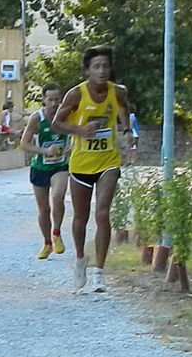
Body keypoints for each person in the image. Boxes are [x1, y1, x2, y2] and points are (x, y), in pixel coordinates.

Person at [52, 45, 132, 292]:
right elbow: (56, 123)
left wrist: (127, 131)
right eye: (96, 66)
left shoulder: (117, 92)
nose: (102, 70)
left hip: (108, 161)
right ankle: (80, 258)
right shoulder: (75, 95)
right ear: (87, 70)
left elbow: (123, 109)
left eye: (106, 66)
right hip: (82, 162)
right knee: (80, 217)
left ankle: (99, 272)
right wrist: (79, 130)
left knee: (103, 214)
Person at [19, 83, 74, 260]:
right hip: (40, 167)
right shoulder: (37, 118)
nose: (53, 103)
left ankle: (56, 233)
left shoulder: (67, 116)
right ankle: (47, 243)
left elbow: (78, 134)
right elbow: (24, 143)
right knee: (44, 209)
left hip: (60, 166)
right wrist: (44, 151)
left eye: (57, 99)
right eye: (50, 99)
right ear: (44, 100)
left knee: (58, 196)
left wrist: (71, 148)